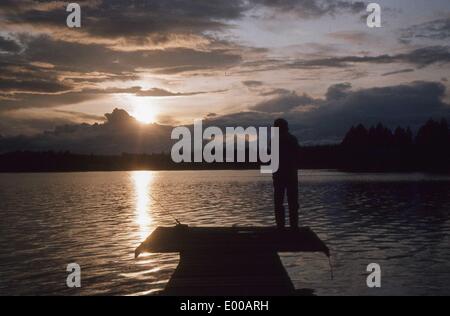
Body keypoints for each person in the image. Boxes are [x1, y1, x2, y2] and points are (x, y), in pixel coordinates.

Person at [273, 118, 300, 229]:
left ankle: (280, 226)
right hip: (291, 175)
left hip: (279, 175)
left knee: (279, 202)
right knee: (293, 202)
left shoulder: (274, 140)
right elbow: (298, 154)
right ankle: (294, 226)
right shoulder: (293, 139)